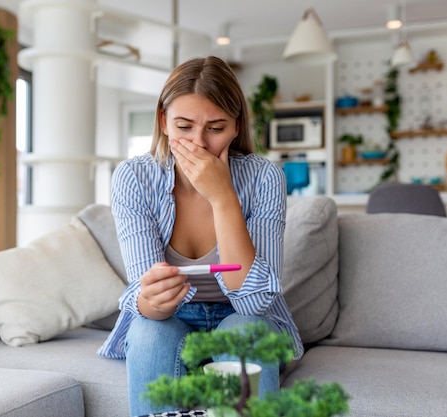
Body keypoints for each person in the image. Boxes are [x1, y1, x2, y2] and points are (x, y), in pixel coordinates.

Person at [97, 56, 303, 416]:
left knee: (246, 330)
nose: (199, 144)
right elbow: (144, 297)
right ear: (163, 121)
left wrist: (223, 198)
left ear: (237, 126)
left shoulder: (264, 178)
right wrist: (151, 300)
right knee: (148, 332)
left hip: (241, 319)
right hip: (169, 324)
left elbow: (255, 304)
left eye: (216, 127)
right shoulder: (134, 178)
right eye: (184, 126)